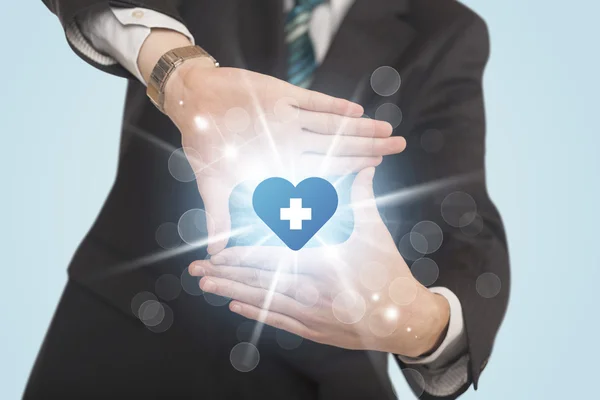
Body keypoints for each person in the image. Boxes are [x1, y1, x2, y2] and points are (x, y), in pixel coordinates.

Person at [26, 0, 510, 398]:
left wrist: (414, 320)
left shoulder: (447, 30)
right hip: (122, 338)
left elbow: (463, 225)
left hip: (324, 375)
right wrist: (183, 78)